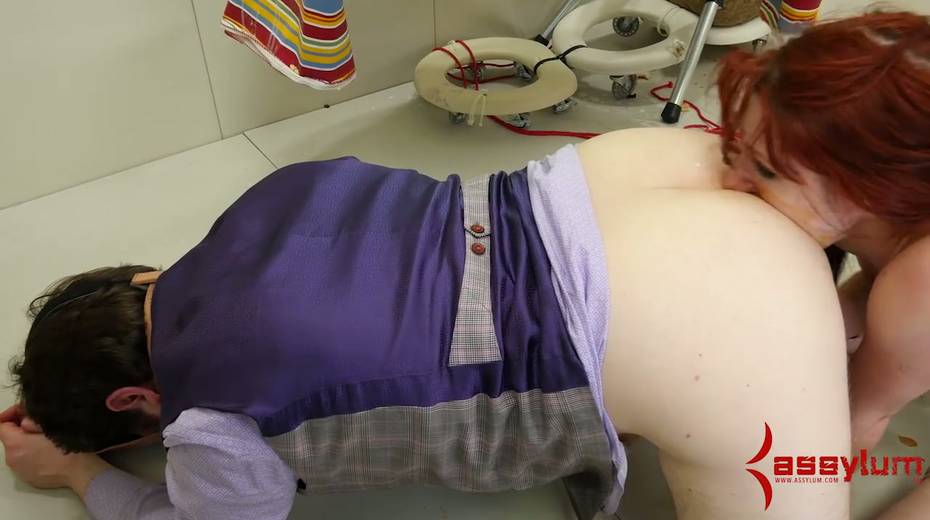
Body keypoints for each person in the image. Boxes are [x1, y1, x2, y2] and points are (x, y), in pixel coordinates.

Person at [0, 126, 850, 519]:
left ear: (134, 400)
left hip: (701, 326)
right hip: (636, 168)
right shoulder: (259, 203)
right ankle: (838, 343)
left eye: (144, 430)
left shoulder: (206, 422)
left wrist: (78, 474)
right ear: (142, 279)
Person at [715, 10, 930, 518]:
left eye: (765, 170)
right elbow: (870, 297)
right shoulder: (886, 221)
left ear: (870, 190)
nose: (731, 182)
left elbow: (860, 419)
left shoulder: (919, 282)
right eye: (743, 151)